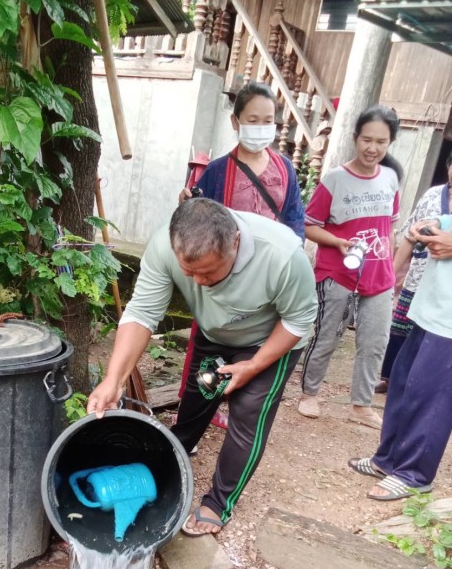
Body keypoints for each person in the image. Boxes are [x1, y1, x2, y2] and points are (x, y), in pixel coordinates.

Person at [87, 199, 317, 536]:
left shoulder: (281, 255)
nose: (197, 282)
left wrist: (252, 366)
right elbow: (142, 313)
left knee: (249, 414)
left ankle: (219, 502)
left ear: (235, 243)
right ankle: (173, 458)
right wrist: (113, 380)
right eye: (188, 272)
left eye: (208, 272)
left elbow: (299, 321)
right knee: (197, 396)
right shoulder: (165, 246)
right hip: (214, 331)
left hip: (270, 340)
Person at [178, 81, 306, 428]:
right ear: (236, 122)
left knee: (261, 334)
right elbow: (200, 220)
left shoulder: (285, 170)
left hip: (269, 272)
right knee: (213, 334)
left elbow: (295, 220)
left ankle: (240, 395)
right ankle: (200, 401)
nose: (262, 127)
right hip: (227, 273)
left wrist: (290, 263)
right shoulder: (219, 170)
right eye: (253, 119)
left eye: (269, 120)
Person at [298, 105, 402, 429]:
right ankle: (309, 393)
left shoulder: (390, 178)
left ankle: (361, 404)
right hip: (337, 272)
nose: (372, 148)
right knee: (327, 335)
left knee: (374, 342)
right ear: (355, 138)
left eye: (381, 142)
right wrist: (337, 242)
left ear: (389, 143)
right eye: (366, 140)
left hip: (378, 274)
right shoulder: (335, 180)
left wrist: (393, 267)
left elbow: (392, 227)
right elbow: (309, 225)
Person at [348, 215, 452, 500]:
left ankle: (414, 474)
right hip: (430, 306)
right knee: (403, 384)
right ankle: (389, 460)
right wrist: (431, 224)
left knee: (432, 398)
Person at [375, 151, 452, 393]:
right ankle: (390, 378)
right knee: (401, 330)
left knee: (433, 340)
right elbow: (409, 234)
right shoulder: (432, 195)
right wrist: (390, 277)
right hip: (418, 276)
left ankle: (418, 385)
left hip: (444, 291)